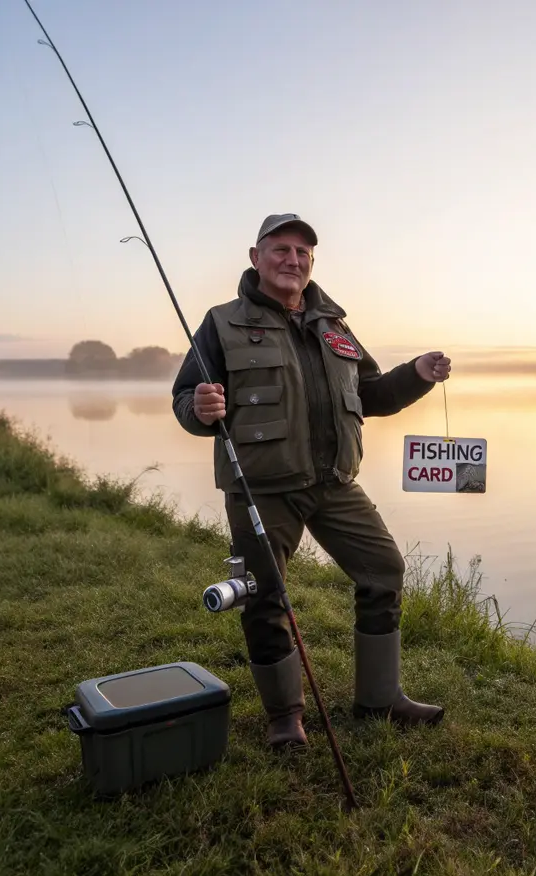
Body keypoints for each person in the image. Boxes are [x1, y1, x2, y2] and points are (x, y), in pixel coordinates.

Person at [171, 213, 452, 749]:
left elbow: (371, 395)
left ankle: (379, 699)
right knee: (264, 596)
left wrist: (416, 372)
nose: (292, 260)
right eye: (280, 249)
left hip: (335, 482)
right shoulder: (221, 323)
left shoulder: (334, 325)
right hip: (261, 488)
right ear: (255, 257)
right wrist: (200, 408)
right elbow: (187, 398)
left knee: (384, 571)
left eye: (302, 253)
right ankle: (285, 718)